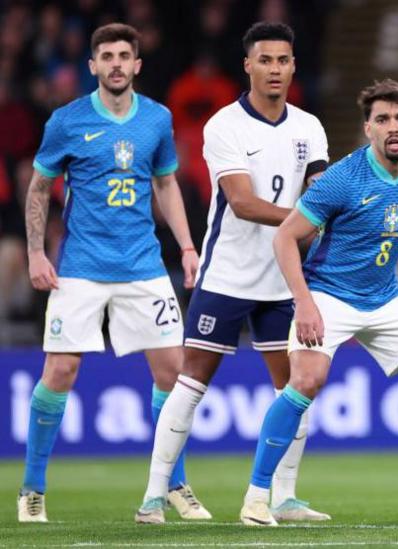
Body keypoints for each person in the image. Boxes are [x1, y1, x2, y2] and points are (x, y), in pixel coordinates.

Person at [237, 79, 398, 527]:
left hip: (384, 297)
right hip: (328, 294)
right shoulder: (343, 179)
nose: (393, 127)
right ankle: (256, 497)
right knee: (305, 381)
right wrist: (304, 303)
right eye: (382, 119)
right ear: (368, 129)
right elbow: (286, 237)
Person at [135, 22, 330, 524]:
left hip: (283, 278)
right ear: (248, 66)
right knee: (192, 382)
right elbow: (242, 203)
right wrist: (305, 220)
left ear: (293, 66)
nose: (274, 69)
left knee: (294, 388)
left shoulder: (310, 127)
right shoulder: (224, 125)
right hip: (227, 275)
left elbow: (320, 192)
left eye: (282, 60)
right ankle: (154, 495)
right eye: (265, 60)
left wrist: (330, 214)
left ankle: (284, 497)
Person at [19, 23, 203, 523]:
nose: (116, 64)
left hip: (143, 264)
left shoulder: (157, 118)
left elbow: (166, 184)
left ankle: (174, 483)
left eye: (124, 56)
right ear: (93, 65)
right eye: (107, 56)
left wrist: (187, 246)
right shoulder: (67, 121)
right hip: (81, 266)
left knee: (173, 372)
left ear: (137, 65)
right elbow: (39, 188)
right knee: (60, 371)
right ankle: (32, 488)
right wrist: (36, 253)